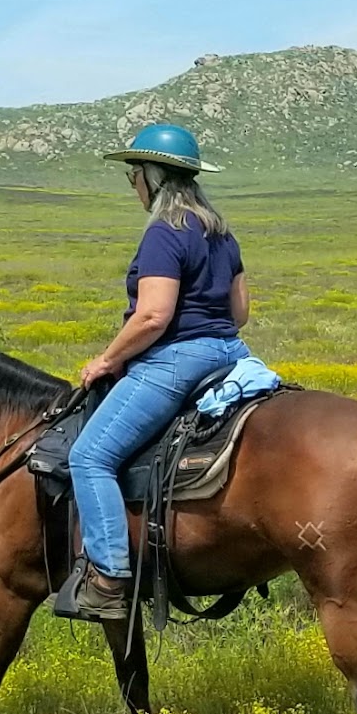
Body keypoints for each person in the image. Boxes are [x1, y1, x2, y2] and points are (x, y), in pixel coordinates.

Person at [63, 123, 251, 621]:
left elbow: (153, 316)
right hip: (232, 354)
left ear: (152, 176)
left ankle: (108, 580)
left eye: (134, 176)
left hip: (176, 361)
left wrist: (107, 359)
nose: (133, 186)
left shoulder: (164, 235)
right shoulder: (221, 234)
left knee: (89, 457)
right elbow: (240, 313)